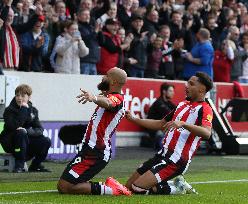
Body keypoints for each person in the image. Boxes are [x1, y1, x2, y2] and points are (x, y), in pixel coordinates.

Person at [125, 72, 213, 195]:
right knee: (128, 187)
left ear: (201, 89)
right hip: (162, 154)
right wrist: (135, 119)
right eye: (187, 82)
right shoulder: (182, 104)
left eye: (191, 84)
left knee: (137, 188)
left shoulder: (205, 108)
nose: (186, 86)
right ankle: (174, 184)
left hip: (176, 160)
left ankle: (177, 189)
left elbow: (207, 133)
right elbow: (161, 124)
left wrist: (183, 124)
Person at [57, 67, 131, 196]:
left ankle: (112, 190)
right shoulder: (110, 95)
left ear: (113, 82)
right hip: (91, 149)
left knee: (65, 186)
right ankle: (107, 187)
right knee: (65, 185)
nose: (103, 77)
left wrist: (94, 97)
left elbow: (109, 103)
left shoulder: (117, 98)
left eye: (106, 75)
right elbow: (106, 99)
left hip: (97, 151)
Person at [0, 84, 51, 173]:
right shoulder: (9, 110)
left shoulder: (33, 110)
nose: (19, 98)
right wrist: (24, 109)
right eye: (17, 95)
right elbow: (15, 126)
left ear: (29, 97)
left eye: (23, 96)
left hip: (26, 141)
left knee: (46, 141)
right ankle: (19, 166)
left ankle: (36, 165)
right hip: (10, 142)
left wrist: (27, 131)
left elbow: (39, 129)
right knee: (20, 133)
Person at [146, 83, 176, 149]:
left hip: (163, 128)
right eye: (170, 91)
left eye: (173, 91)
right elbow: (170, 114)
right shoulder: (158, 103)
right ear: (164, 91)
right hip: (155, 130)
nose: (173, 93)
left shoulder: (169, 103)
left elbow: (178, 112)